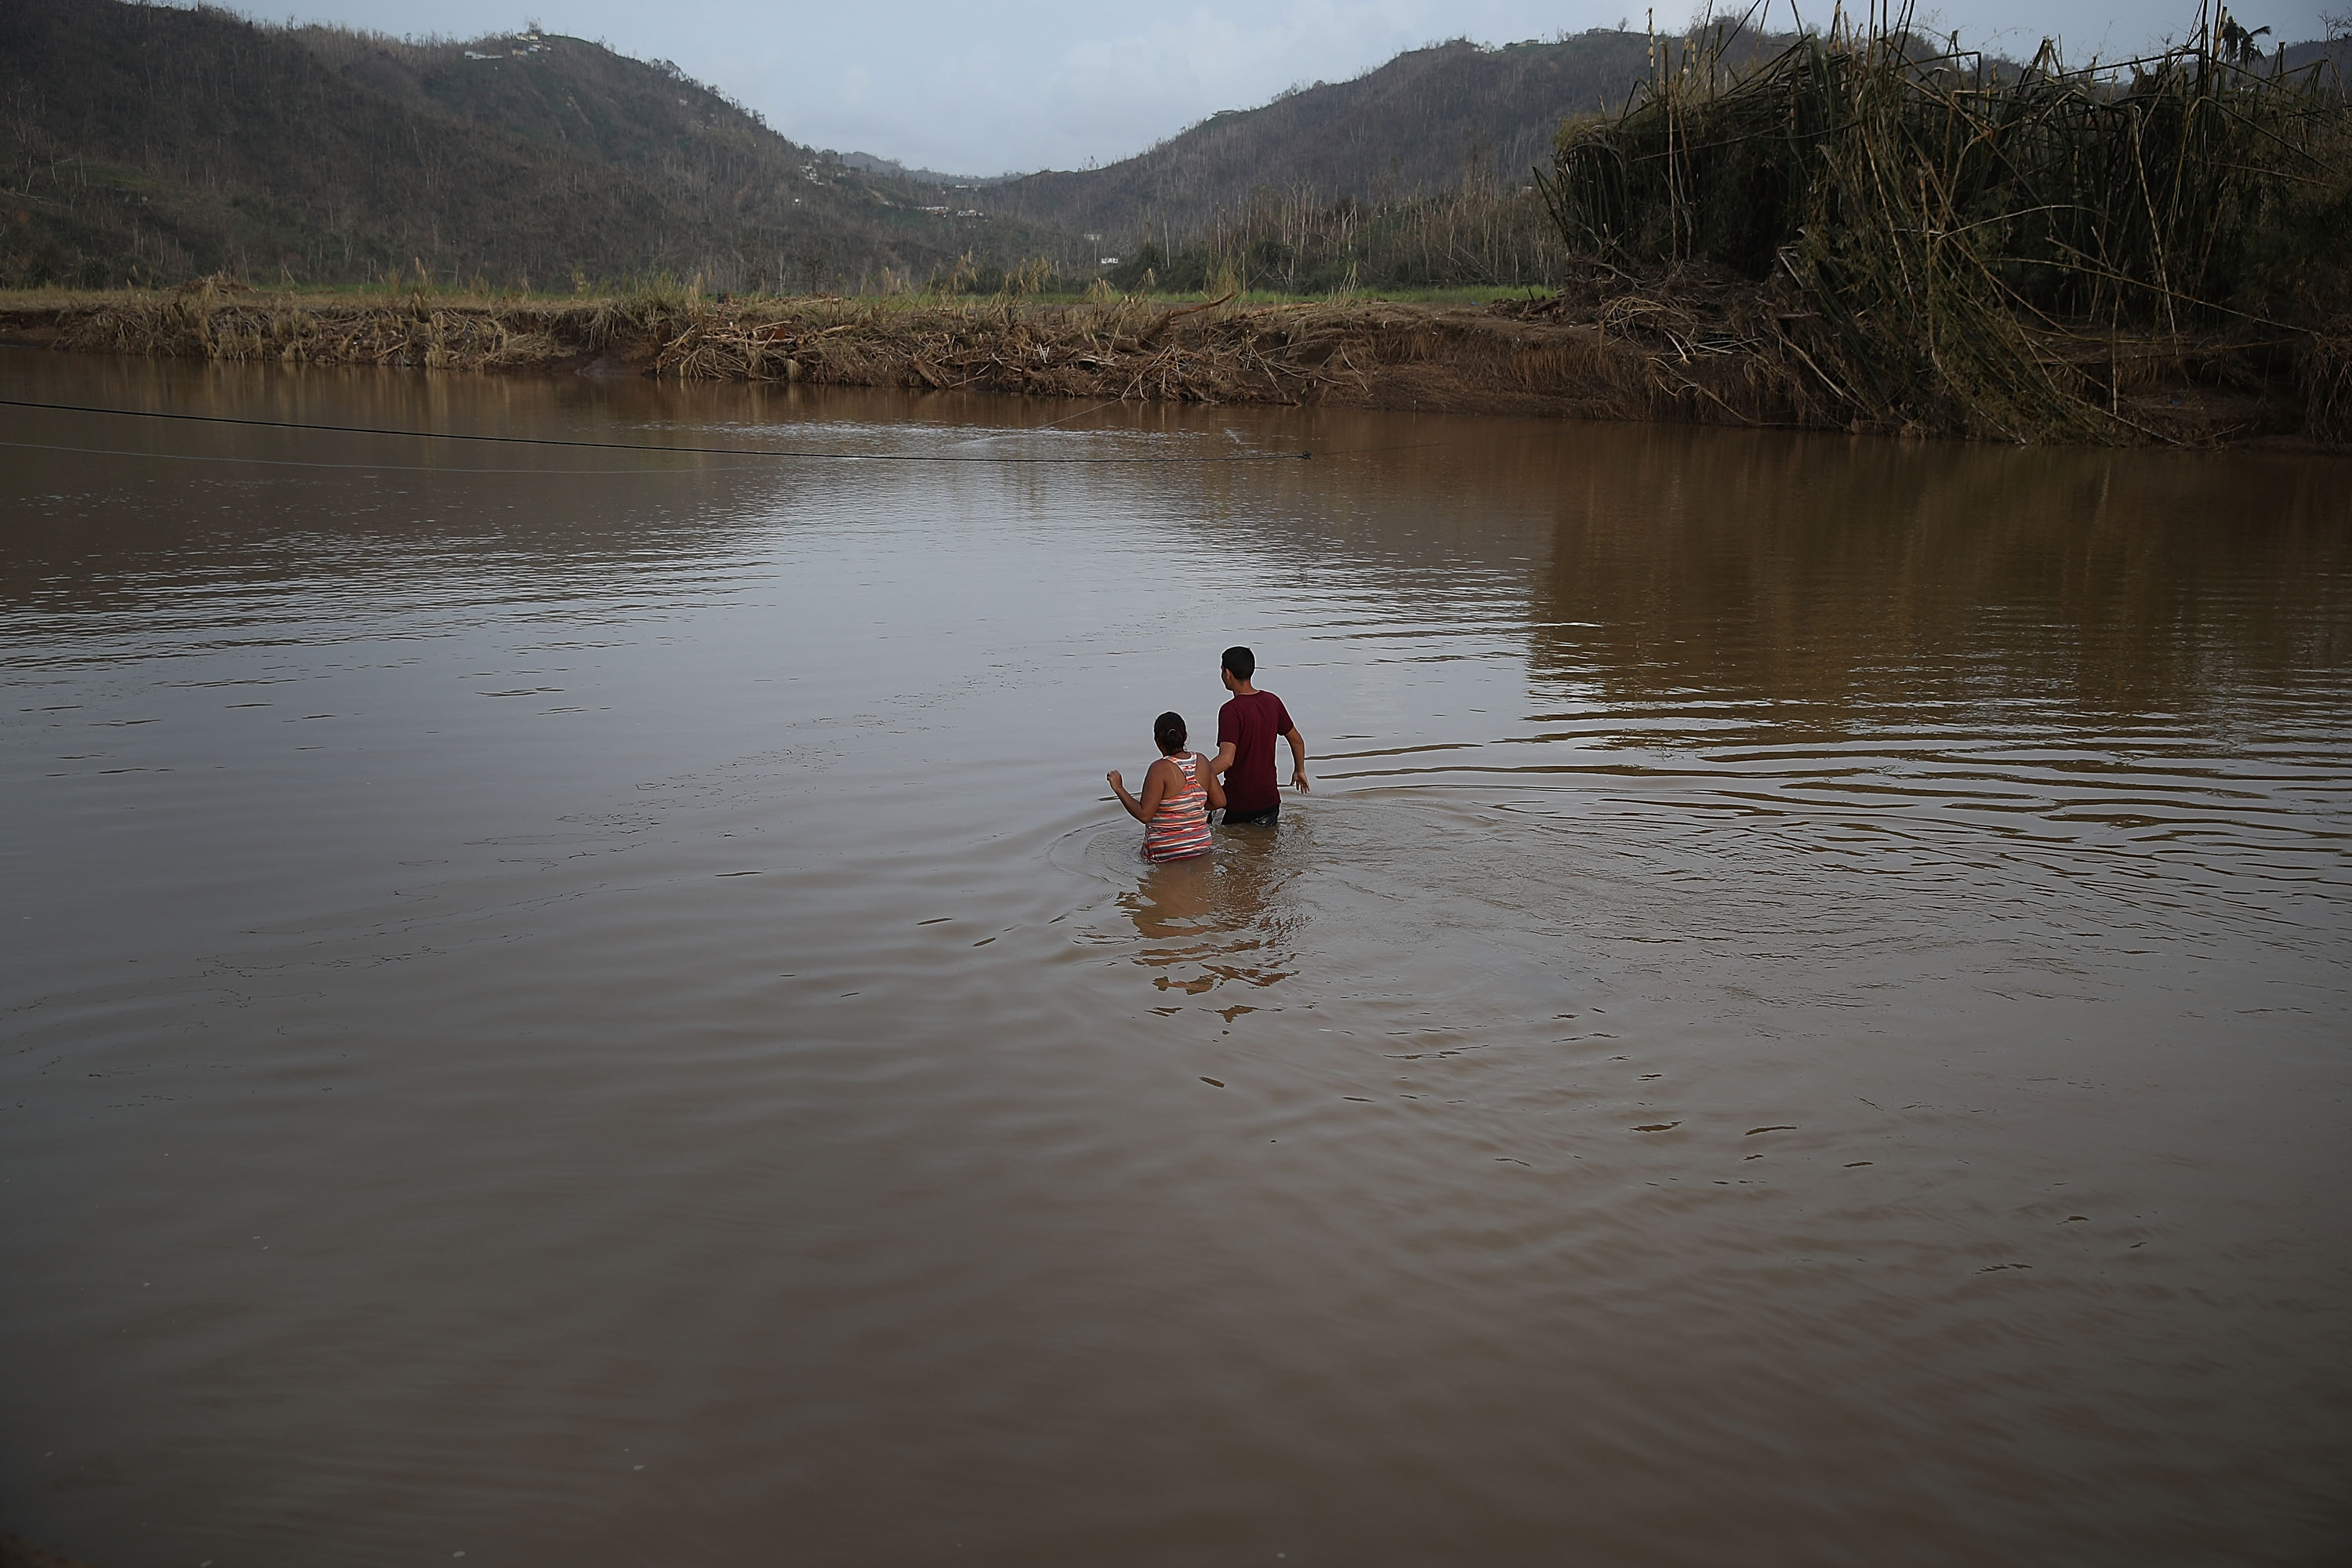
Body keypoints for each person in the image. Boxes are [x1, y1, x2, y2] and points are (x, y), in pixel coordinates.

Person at [1208, 645, 1307, 825]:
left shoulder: (1230, 710)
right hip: (1270, 802)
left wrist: (1195, 774)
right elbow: (1297, 741)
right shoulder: (1272, 701)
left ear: (1227, 673)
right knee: (1264, 847)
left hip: (1240, 803)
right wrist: (1299, 770)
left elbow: (1226, 760)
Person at [1108, 710, 1225, 862]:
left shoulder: (1159, 769)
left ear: (1158, 742)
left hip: (1166, 854)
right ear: (1185, 736)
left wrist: (1119, 788)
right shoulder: (1202, 761)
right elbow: (1220, 802)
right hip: (1201, 848)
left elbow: (1144, 815)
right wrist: (1191, 809)